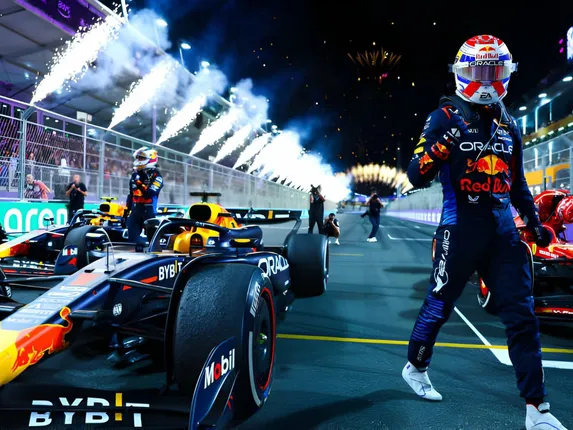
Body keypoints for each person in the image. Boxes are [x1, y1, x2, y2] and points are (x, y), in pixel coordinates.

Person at [402, 35, 566, 430]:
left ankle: (537, 409)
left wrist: (535, 223)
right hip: (459, 229)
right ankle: (415, 367)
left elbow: (517, 183)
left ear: (507, 72)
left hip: (504, 233)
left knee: (522, 316)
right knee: (439, 305)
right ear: (463, 71)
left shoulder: (509, 121)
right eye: (480, 70)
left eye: (495, 70)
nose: (488, 79)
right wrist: (445, 143)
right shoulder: (443, 115)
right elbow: (415, 174)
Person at [124, 147, 163, 248]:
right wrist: (126, 211)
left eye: (141, 158)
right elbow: (131, 194)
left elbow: (149, 193)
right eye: (138, 158)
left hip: (149, 212)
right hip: (135, 211)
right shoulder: (135, 175)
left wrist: (138, 182)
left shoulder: (157, 176)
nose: (139, 160)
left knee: (151, 243)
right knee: (132, 243)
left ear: (151, 158)